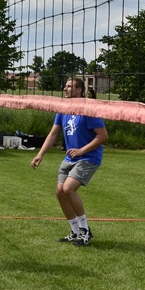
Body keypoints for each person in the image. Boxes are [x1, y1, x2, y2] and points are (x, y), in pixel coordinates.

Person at [30, 77, 107, 246]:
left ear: (79, 90)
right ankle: (74, 231)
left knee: (68, 189)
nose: (65, 89)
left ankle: (85, 231)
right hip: (70, 158)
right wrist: (40, 154)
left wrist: (81, 150)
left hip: (88, 157)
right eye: (65, 85)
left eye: (69, 86)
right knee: (60, 192)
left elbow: (103, 136)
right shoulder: (63, 109)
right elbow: (53, 134)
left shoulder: (88, 109)